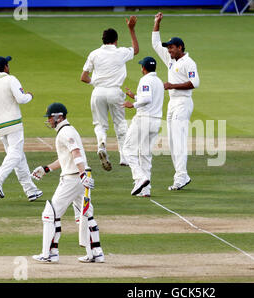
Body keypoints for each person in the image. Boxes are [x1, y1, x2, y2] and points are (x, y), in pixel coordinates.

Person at [31, 103, 104, 263]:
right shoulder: (67, 131)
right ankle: (96, 252)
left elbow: (76, 153)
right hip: (79, 177)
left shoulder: (65, 132)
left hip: (73, 178)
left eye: (50, 117)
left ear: (58, 117)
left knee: (49, 214)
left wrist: (82, 173)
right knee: (86, 214)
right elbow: (67, 158)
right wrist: (46, 169)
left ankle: (49, 254)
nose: (48, 121)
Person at [0, 56, 43, 202]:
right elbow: (21, 99)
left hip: (0, 127)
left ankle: (31, 191)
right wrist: (29, 95)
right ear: (5, 67)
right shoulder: (11, 79)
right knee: (16, 155)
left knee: (17, 157)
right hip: (14, 123)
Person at [81, 16, 139, 171]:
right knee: (120, 124)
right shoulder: (120, 52)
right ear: (116, 40)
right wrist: (131, 29)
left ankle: (101, 143)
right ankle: (124, 157)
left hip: (97, 92)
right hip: (115, 92)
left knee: (100, 125)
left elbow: (83, 77)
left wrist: (97, 83)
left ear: (103, 39)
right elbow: (136, 49)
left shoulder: (94, 54)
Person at [152, 12, 200, 191]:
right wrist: (156, 23)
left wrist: (171, 84)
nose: (169, 50)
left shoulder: (189, 62)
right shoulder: (171, 60)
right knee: (172, 141)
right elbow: (156, 44)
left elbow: (195, 83)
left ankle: (181, 176)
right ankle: (181, 175)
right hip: (172, 103)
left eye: (172, 48)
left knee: (179, 140)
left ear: (180, 47)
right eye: (169, 48)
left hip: (183, 102)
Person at [122, 57, 164, 197]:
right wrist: (134, 96)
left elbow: (147, 99)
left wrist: (132, 104)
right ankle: (146, 190)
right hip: (156, 121)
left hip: (143, 120)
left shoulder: (145, 80)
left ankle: (140, 178)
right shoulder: (158, 81)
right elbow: (148, 98)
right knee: (145, 155)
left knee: (128, 150)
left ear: (144, 68)